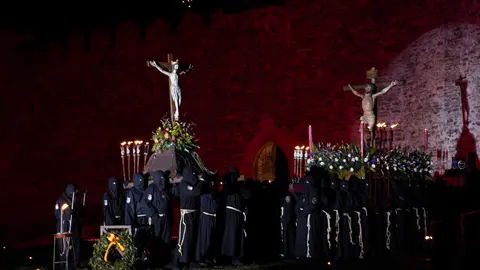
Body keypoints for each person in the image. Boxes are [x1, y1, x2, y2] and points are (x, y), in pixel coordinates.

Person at [169, 167, 204, 269]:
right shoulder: (184, 184)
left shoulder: (192, 184)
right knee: (183, 239)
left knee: (193, 238)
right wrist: (201, 181)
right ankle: (176, 262)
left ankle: (190, 260)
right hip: (186, 215)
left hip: (194, 214)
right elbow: (196, 192)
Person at [221, 168, 250, 266]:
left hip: (237, 213)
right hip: (231, 213)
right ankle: (231, 257)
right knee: (231, 235)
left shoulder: (239, 187)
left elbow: (247, 195)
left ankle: (235, 256)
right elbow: (228, 191)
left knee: (237, 235)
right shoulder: (228, 186)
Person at [144, 170, 172, 267]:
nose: (162, 181)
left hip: (165, 218)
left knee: (166, 239)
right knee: (156, 239)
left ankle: (165, 260)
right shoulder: (151, 189)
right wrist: (154, 215)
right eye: (161, 179)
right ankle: (155, 261)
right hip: (156, 219)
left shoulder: (164, 189)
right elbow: (145, 203)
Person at [54, 184, 82, 269]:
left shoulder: (75, 200)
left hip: (74, 227)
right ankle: (64, 266)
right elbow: (57, 214)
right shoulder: (61, 201)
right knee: (63, 249)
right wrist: (67, 215)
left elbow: (78, 213)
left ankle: (75, 265)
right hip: (63, 227)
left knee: (75, 248)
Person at [196, 174, 218, 266]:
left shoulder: (211, 190)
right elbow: (212, 195)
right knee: (205, 238)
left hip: (212, 216)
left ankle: (208, 257)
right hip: (206, 216)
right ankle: (202, 258)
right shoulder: (204, 190)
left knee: (210, 238)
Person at [125, 173, 149, 260]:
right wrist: (129, 224)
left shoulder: (146, 190)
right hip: (138, 220)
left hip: (147, 219)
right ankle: (137, 257)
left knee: (146, 239)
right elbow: (130, 209)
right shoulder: (132, 192)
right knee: (138, 240)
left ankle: (144, 256)